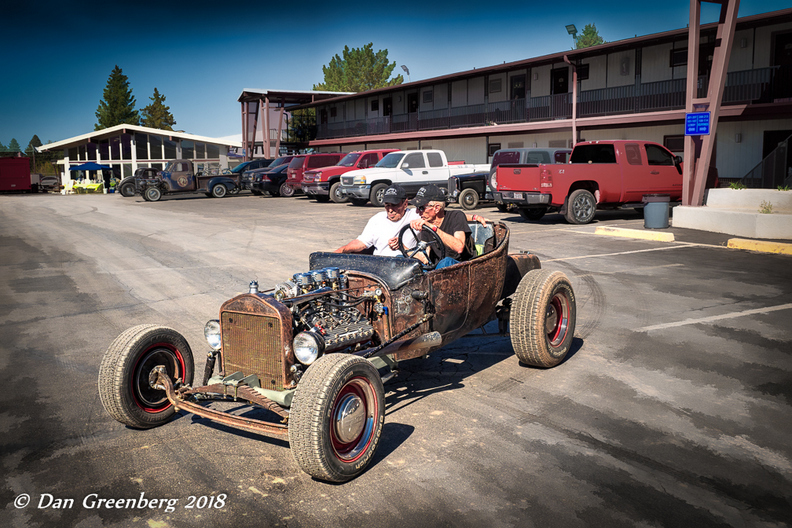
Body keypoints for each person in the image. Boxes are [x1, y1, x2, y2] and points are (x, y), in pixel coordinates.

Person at [408, 184, 486, 269]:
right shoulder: (426, 226)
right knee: (401, 259)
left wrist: (433, 228)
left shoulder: (456, 216)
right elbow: (425, 258)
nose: (417, 212)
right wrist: (403, 248)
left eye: (421, 208)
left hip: (461, 267)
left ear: (436, 208)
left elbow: (459, 247)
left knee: (446, 262)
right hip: (438, 270)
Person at [334, 184, 420, 256]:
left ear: (405, 204)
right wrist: (341, 250)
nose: (390, 210)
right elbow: (362, 242)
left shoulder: (417, 215)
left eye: (394, 205)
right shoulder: (377, 219)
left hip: (405, 265)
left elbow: (433, 222)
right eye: (387, 205)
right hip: (379, 264)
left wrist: (423, 223)